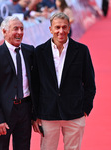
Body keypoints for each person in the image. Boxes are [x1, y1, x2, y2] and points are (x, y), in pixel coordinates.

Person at [32, 12, 96, 150]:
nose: (61, 31)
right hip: (48, 113)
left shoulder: (82, 51)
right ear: (50, 29)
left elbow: (90, 82)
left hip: (75, 113)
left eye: (64, 27)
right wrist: (35, 114)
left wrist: (85, 108)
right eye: (57, 27)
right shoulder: (39, 52)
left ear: (69, 28)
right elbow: (35, 85)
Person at [0, 16, 34, 150]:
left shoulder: (30, 51)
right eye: (15, 29)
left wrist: (35, 114)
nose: (19, 32)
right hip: (4, 112)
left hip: (25, 109)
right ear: (4, 31)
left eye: (21, 29)